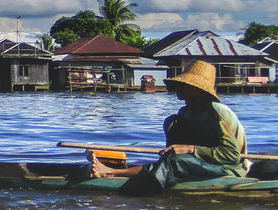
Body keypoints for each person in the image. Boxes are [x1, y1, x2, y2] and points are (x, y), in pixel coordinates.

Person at [91, 61, 248, 192]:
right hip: (202, 162)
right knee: (172, 122)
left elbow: (231, 155)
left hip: (228, 168)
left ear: (198, 91)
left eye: (185, 86)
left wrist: (190, 149)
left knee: (176, 161)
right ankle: (164, 170)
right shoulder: (186, 112)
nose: (179, 90)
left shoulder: (218, 112)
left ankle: (112, 173)